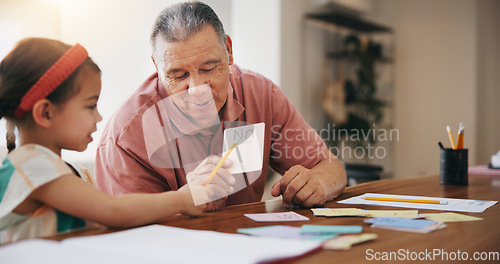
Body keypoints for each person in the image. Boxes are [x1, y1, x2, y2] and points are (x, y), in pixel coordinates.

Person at [95, 1, 347, 209]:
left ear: (228, 50)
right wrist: (184, 201)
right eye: (178, 75)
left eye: (209, 68)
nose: (197, 90)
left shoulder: (260, 94)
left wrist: (319, 182)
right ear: (156, 67)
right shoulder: (126, 138)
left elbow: (330, 167)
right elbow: (132, 241)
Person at [0, 38, 231, 244]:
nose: (99, 117)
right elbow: (114, 211)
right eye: (91, 106)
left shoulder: (67, 171)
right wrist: (182, 199)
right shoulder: (29, 165)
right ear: (45, 113)